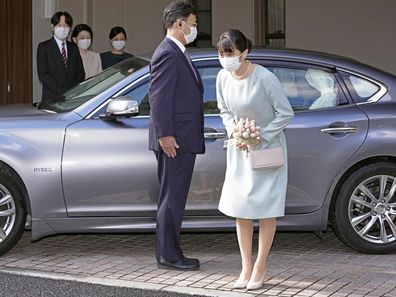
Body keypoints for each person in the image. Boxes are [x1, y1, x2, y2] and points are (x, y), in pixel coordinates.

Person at [216, 29, 294, 290]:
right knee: (242, 210)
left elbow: (285, 113)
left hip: (266, 148)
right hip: (239, 148)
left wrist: (261, 135)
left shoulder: (264, 78)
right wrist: (235, 132)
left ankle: (260, 265)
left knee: (265, 208)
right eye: (222, 54)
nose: (226, 59)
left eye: (231, 53)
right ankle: (245, 267)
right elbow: (224, 110)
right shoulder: (222, 78)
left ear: (244, 53)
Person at [148, 0, 204, 271]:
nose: (195, 29)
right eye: (193, 24)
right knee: (171, 198)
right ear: (179, 23)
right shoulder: (168, 52)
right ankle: (169, 255)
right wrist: (165, 134)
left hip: (180, 138)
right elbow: (159, 97)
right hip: (174, 141)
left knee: (174, 198)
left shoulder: (176, 51)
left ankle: (169, 252)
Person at [37, 11, 85, 102]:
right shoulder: (44, 47)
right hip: (51, 98)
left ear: (70, 28)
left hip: (72, 98)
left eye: (66, 25)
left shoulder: (74, 47)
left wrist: (71, 91)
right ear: (52, 27)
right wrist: (63, 92)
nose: (63, 28)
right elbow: (43, 75)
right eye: (59, 25)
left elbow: (81, 73)